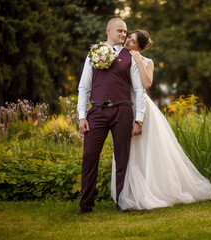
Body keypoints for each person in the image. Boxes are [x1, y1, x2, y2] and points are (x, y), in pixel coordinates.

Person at [111, 30, 211, 211]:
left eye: (133, 40)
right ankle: (128, 194)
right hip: (123, 107)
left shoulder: (147, 62)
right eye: (128, 37)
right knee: (127, 152)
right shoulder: (119, 58)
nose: (128, 40)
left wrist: (138, 60)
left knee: (144, 151)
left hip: (142, 109)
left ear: (140, 46)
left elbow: (146, 84)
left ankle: (149, 192)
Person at [76, 18, 146, 215]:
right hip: (96, 112)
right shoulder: (93, 54)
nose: (124, 35)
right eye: (120, 31)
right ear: (109, 30)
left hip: (122, 111)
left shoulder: (130, 56)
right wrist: (82, 116)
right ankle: (86, 205)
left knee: (122, 158)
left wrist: (138, 119)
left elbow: (139, 90)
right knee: (89, 157)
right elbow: (84, 87)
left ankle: (122, 203)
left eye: (126, 32)